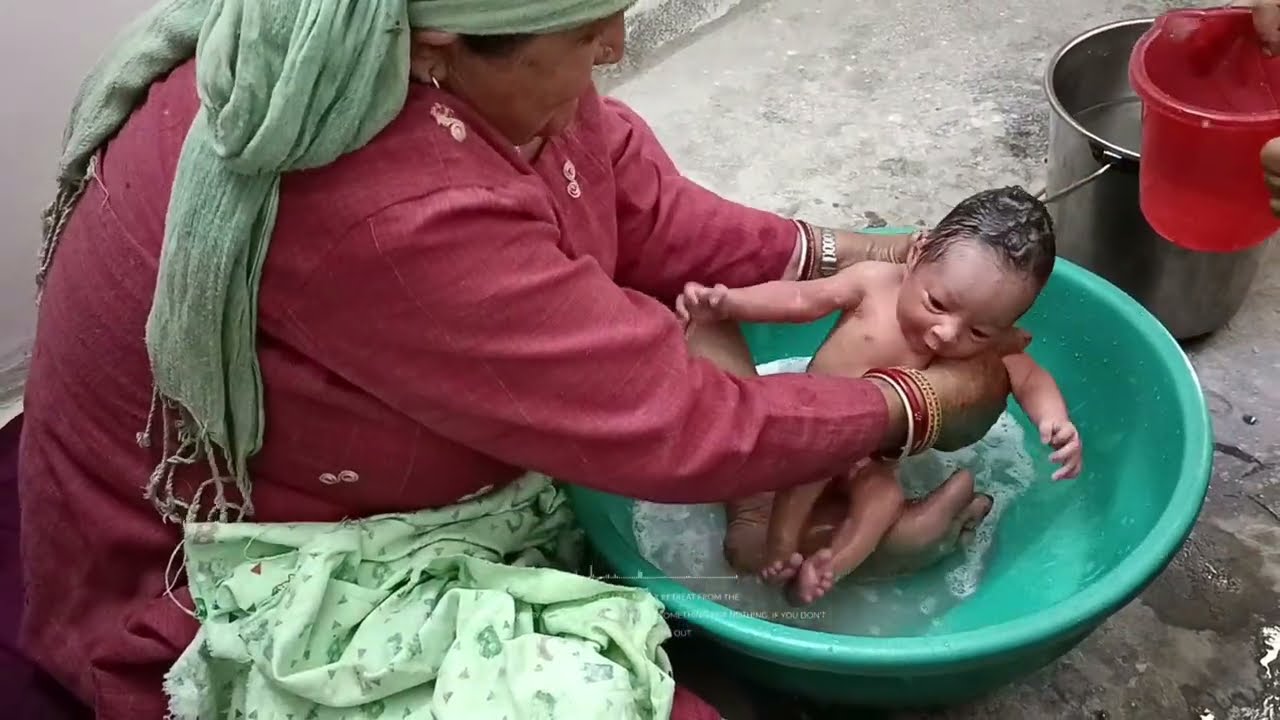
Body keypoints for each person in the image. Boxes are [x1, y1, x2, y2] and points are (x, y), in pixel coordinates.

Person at [18, 2, 1022, 718]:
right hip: (254, 571)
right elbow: (682, 421)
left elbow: (634, 199)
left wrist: (864, 257)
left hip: (394, 388)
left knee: (686, 322)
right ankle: (814, 539)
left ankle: (826, 525)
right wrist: (915, 403)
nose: (616, 41)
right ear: (447, 43)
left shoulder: (415, 46)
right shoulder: (385, 204)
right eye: (585, 29)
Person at [678, 187, 1083, 605]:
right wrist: (731, 302)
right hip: (808, 430)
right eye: (937, 303)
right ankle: (781, 550)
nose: (947, 333)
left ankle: (831, 565)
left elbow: (1030, 377)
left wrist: (1055, 421)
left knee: (883, 497)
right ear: (915, 255)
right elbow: (801, 299)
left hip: (864, 459)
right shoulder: (874, 283)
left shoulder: (989, 345)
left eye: (978, 330)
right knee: (804, 474)